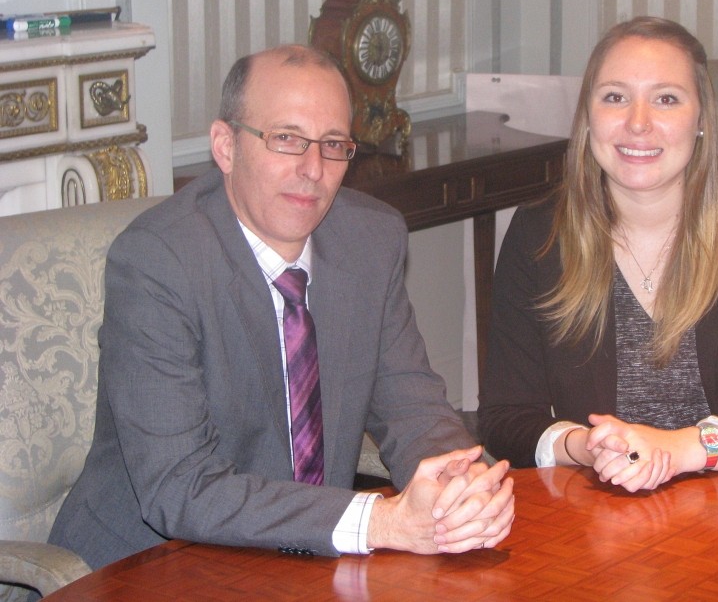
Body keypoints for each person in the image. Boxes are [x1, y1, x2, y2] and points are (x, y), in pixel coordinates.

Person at [50, 45, 514, 569]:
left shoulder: (371, 239)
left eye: (333, 144)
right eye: (287, 139)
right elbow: (178, 487)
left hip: (300, 560)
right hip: (149, 567)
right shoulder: (159, 263)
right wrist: (379, 520)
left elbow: (411, 406)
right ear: (225, 147)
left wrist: (457, 484)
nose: (313, 169)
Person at [478, 17, 718, 492]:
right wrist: (582, 445)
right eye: (615, 97)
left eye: (666, 99)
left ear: (701, 118)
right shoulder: (540, 234)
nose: (638, 122)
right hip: (599, 531)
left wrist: (686, 448)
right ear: (587, 116)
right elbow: (504, 417)